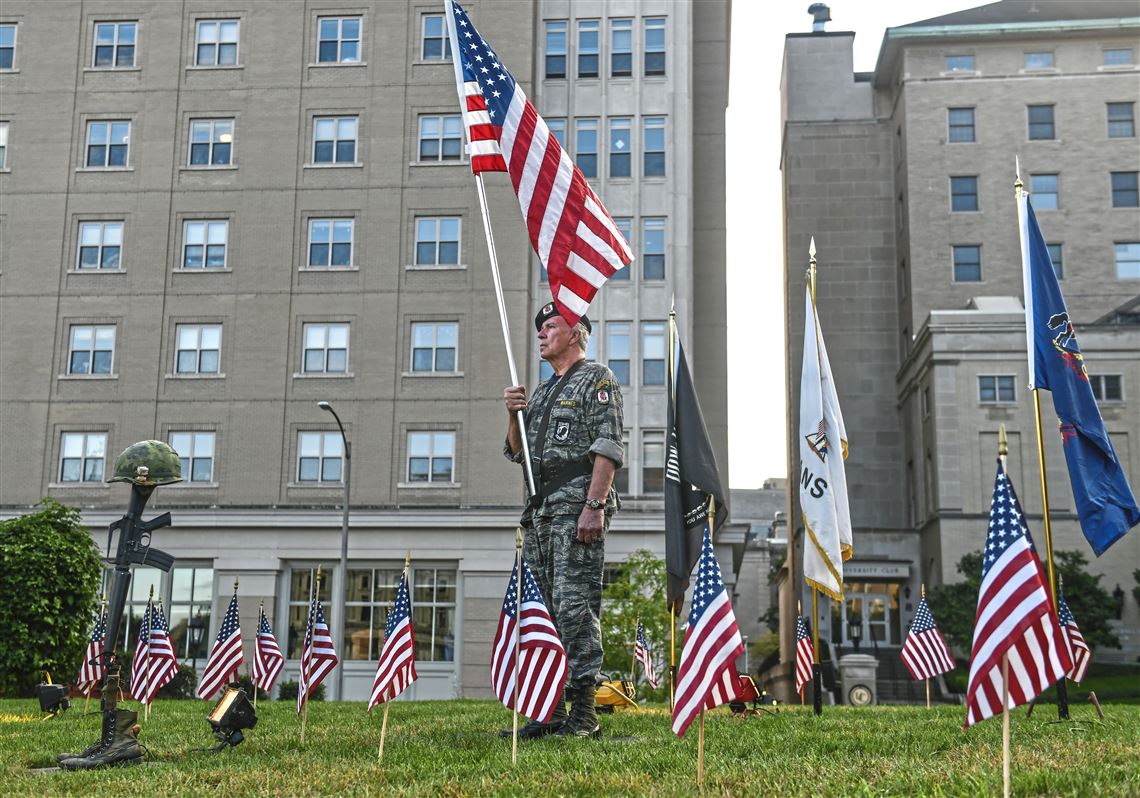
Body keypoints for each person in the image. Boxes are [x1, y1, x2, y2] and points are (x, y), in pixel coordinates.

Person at [502, 302, 624, 739]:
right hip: (540, 510)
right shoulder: (540, 392)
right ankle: (550, 711)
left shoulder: (598, 379)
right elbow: (517, 452)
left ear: (574, 333)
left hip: (576, 506)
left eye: (550, 326)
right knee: (543, 611)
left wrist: (595, 506)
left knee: (575, 608)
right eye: (540, 328)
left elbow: (608, 446)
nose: (541, 334)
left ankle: (584, 713)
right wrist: (514, 414)